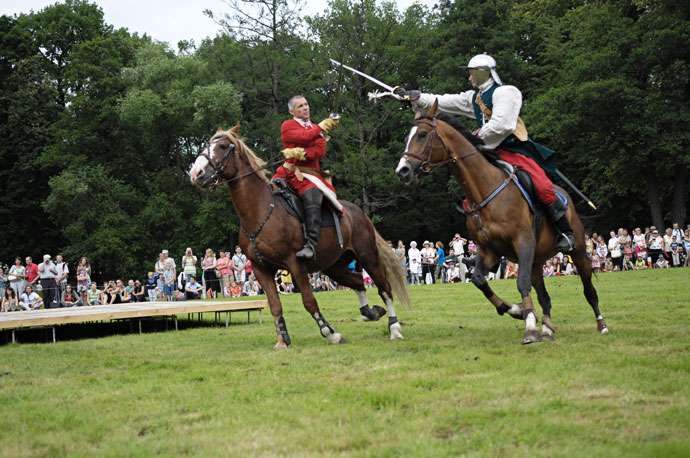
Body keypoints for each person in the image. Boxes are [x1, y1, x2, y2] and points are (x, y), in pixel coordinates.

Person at [396, 53, 575, 252]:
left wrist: (471, 138)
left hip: (513, 149)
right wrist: (416, 97)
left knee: (541, 185)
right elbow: (443, 101)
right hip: (488, 152)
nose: (469, 78)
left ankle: (566, 232)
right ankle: (486, 243)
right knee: (470, 187)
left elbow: (502, 125)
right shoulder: (475, 98)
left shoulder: (506, 93)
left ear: (482, 73)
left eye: (472, 74)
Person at [271, 94, 340, 261]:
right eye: (300, 106)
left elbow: (320, 150)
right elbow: (304, 137)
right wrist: (323, 126)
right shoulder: (288, 125)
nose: (305, 108)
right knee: (265, 194)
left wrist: (301, 153)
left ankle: (311, 244)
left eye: (306, 104)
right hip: (287, 173)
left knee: (312, 196)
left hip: (310, 175)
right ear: (291, 111)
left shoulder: (316, 129)